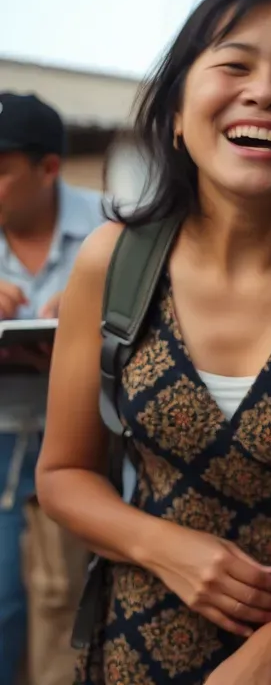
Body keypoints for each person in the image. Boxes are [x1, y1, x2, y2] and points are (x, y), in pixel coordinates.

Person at [35, 0, 271, 685]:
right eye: (233, 64)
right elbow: (64, 473)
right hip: (131, 647)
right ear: (175, 109)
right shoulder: (114, 261)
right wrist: (169, 548)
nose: (263, 91)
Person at [0, 92, 105, 682]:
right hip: (5, 440)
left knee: (72, 611)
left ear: (49, 168)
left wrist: (99, 304)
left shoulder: (118, 229)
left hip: (96, 445)